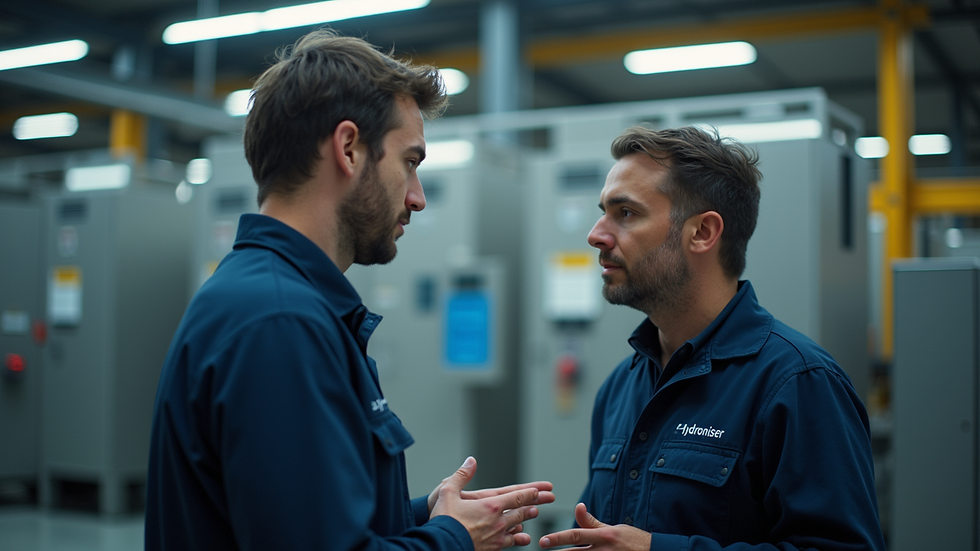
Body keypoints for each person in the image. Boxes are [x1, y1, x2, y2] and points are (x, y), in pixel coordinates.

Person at [145, 29, 553, 551]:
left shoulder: (272, 302)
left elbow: (307, 522)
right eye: (409, 163)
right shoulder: (279, 323)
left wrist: (429, 515)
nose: (418, 197)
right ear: (349, 149)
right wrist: (453, 539)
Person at [538, 126, 885, 551]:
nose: (596, 234)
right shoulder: (620, 389)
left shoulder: (799, 384)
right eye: (603, 211)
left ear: (702, 232)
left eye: (625, 213)